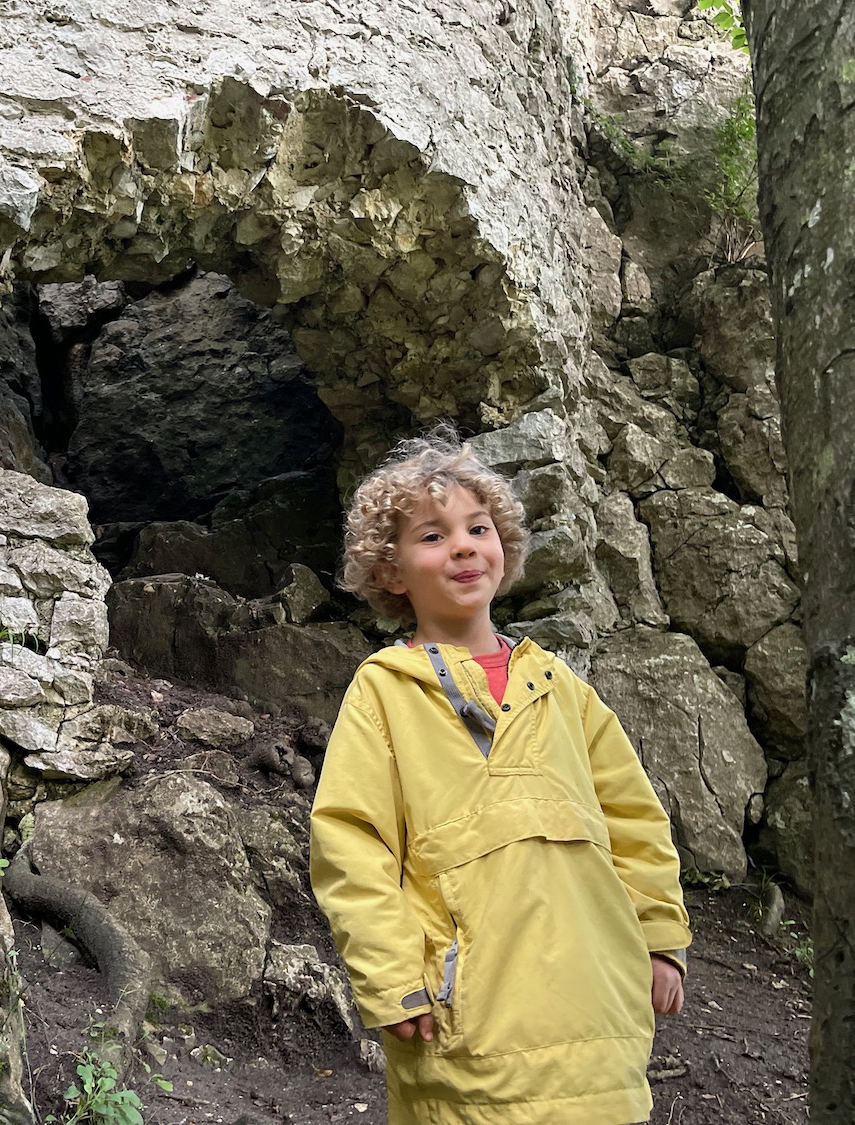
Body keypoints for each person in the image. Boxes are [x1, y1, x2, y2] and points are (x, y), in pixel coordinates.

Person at [309, 425, 690, 1125]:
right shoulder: (385, 690)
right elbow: (352, 845)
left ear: (503, 546)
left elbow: (634, 818)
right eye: (431, 535)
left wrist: (660, 937)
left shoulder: (562, 688)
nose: (461, 545)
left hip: (597, 1016)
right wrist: (392, 977)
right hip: (467, 1033)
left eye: (477, 527)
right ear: (391, 572)